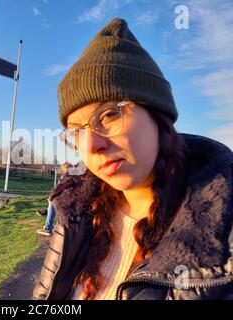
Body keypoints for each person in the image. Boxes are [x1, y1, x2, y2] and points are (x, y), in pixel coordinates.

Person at [33, 18, 233, 300]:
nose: (92, 145)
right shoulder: (76, 216)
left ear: (157, 114)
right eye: (77, 132)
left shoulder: (224, 234)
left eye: (109, 115)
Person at [36, 162, 73, 236]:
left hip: (68, 199)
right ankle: (48, 214)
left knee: (52, 201)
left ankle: (48, 227)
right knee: (52, 200)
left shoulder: (67, 176)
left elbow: (59, 188)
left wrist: (51, 196)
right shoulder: (72, 176)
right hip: (69, 197)